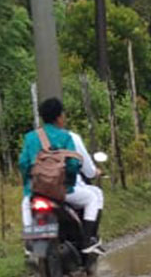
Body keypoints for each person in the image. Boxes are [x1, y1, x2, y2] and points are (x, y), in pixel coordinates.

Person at [19, 98, 103, 254]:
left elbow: (23, 164)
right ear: (59, 117)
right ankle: (86, 241)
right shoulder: (67, 137)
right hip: (62, 192)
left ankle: (30, 242)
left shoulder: (30, 137)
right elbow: (72, 164)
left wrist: (29, 185)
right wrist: (68, 183)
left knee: (26, 203)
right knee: (92, 198)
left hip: (37, 190)